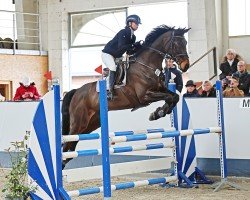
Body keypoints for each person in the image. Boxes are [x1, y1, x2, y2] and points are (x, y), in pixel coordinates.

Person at [102, 14, 142, 100]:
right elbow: (121, 47)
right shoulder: (123, 32)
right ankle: (110, 91)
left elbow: (129, 51)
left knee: (127, 65)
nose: (137, 25)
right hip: (107, 54)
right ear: (129, 23)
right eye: (136, 23)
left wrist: (138, 47)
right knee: (113, 67)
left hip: (117, 56)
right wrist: (133, 45)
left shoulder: (133, 37)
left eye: (138, 24)